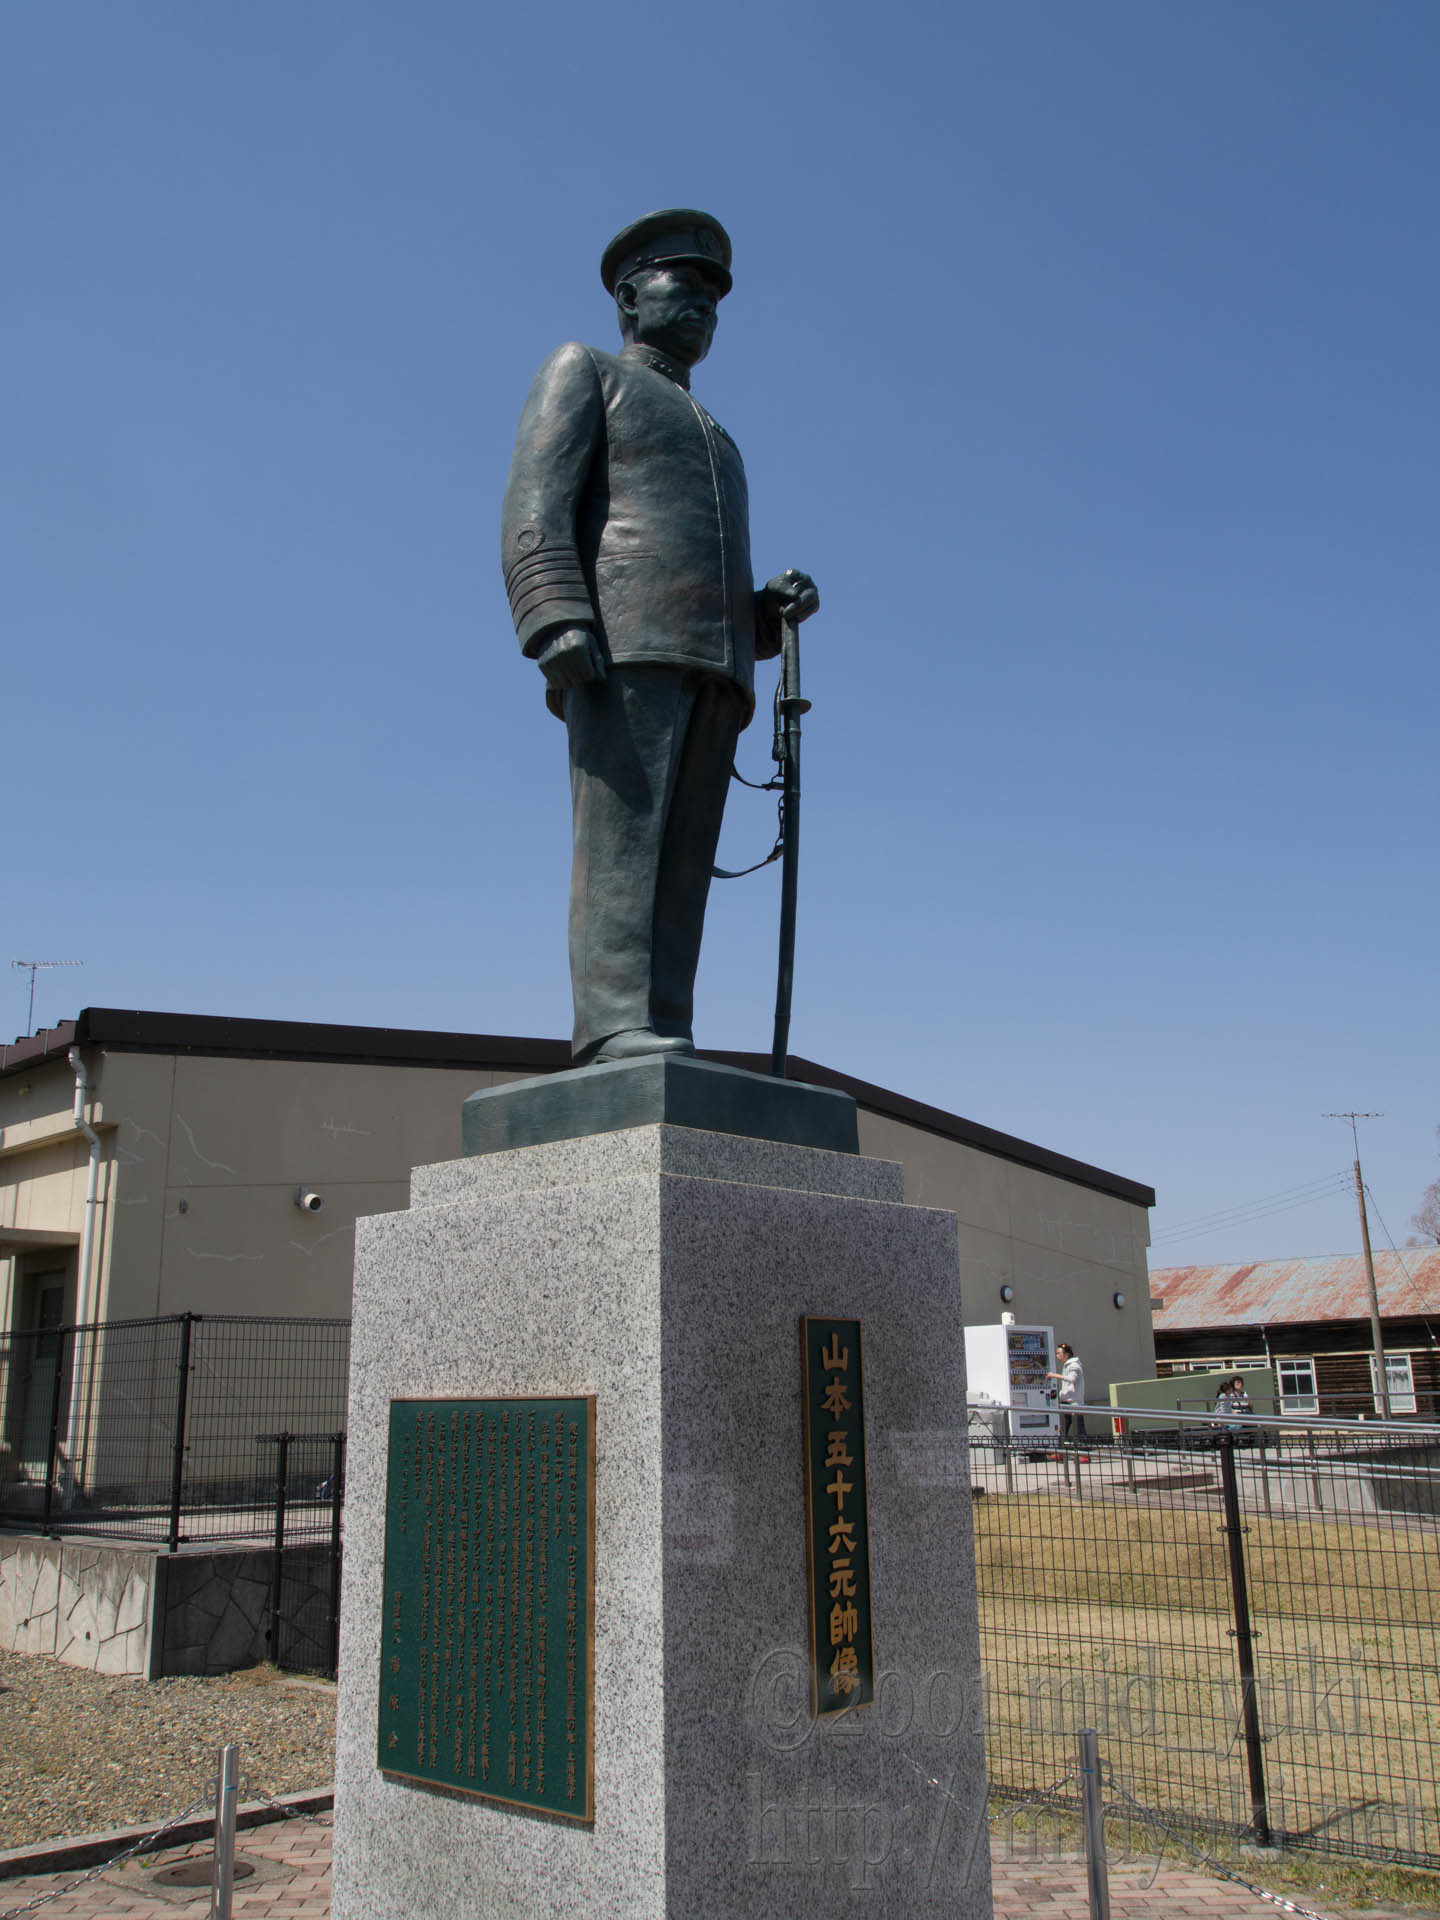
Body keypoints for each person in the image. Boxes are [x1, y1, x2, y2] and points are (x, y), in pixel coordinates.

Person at [501, 209, 819, 1065]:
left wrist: (764, 613)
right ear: (631, 294)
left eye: (718, 300)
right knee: (622, 848)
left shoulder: (721, 438)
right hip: (621, 645)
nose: (706, 309)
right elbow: (536, 503)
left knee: (683, 865)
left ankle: (664, 1025)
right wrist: (554, 617)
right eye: (689, 287)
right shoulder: (586, 370)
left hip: (712, 667)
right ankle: (611, 1024)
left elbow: (700, 569)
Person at [1047, 1342, 1085, 1444]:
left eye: (1059, 1353)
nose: (1057, 1356)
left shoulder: (1073, 1366)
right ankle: (1061, 1450)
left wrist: (1054, 1375)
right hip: (1066, 1400)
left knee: (1078, 1427)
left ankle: (1084, 1452)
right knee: (1063, 1427)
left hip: (1074, 1402)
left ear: (1066, 1354)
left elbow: (1072, 1378)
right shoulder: (1067, 1365)